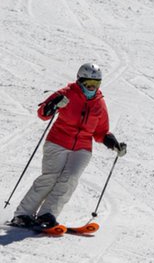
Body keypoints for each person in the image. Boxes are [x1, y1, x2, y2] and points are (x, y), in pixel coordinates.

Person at [10, 62, 127, 230]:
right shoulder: (66, 94)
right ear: (79, 81)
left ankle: (47, 214)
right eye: (88, 84)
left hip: (82, 148)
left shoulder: (99, 103)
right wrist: (54, 105)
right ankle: (23, 215)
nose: (92, 88)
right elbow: (42, 114)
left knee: (70, 179)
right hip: (58, 142)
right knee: (50, 178)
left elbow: (101, 132)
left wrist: (114, 144)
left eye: (96, 84)